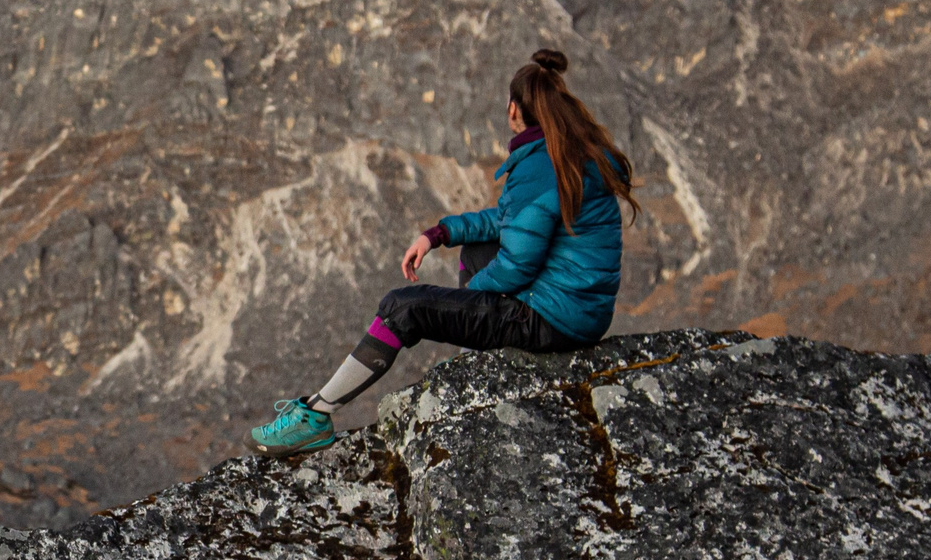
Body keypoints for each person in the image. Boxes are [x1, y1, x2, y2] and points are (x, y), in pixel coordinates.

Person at [248, 48, 641, 456]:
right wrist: (439, 233)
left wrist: (468, 301)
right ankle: (486, 356)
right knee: (474, 252)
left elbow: (518, 266)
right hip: (579, 313)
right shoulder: (568, 154)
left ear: (513, 110)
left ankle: (315, 416)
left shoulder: (541, 165)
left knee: (404, 307)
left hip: (551, 319)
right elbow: (511, 221)